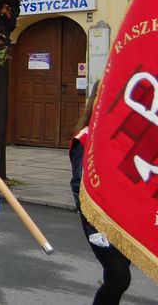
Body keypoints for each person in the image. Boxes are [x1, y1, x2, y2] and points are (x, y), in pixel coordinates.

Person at [70, 81, 131, 304]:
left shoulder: (124, 136)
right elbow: (79, 185)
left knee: (116, 278)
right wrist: (93, 227)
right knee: (120, 278)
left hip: (126, 219)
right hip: (100, 222)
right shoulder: (86, 139)